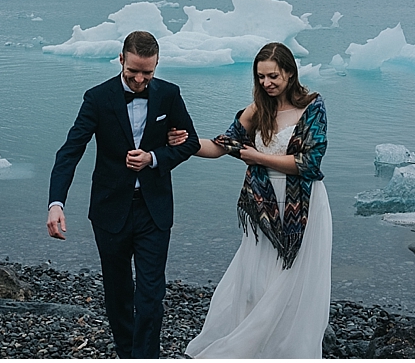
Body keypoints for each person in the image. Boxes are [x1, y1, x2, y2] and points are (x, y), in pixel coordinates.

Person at [168, 42, 332, 358]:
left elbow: (309, 164)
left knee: (292, 279)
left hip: (303, 207)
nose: (266, 84)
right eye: (260, 77)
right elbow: (220, 146)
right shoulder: (256, 110)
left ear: (289, 72)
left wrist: (258, 157)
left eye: (273, 77)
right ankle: (252, 344)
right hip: (263, 207)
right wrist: (185, 143)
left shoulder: (312, 107)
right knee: (257, 280)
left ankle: (285, 347)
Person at [47, 30, 199, 359]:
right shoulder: (97, 98)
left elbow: (191, 143)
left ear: (157, 65)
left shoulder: (170, 95)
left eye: (148, 72)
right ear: (121, 60)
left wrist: (155, 157)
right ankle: (128, 354)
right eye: (134, 71)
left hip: (153, 211)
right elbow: (70, 152)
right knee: (118, 295)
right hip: (109, 211)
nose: (140, 79)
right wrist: (56, 203)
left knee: (150, 296)